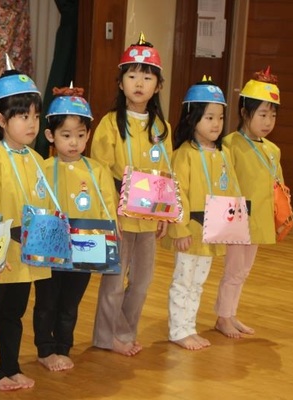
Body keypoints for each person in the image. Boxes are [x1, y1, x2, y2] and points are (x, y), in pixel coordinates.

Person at [89, 33, 172, 356]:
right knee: (113, 280)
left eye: (147, 77)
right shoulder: (110, 124)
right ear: (120, 82)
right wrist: (110, 211)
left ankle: (125, 331)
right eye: (132, 75)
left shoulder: (161, 127)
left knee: (141, 281)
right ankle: (106, 336)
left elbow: (166, 173)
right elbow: (99, 171)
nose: (139, 83)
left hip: (148, 219)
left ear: (158, 86)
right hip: (120, 217)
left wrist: (165, 212)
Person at [0, 62, 50, 391]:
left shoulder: (36, 159)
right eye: (22, 116)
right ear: (1, 120)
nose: (31, 123)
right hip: (0, 256)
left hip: (26, 254)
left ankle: (11, 366)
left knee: (14, 313)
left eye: (35, 116)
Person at [34, 85, 118, 371]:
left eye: (80, 135)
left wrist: (111, 234)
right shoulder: (43, 168)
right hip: (50, 246)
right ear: (51, 135)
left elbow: (108, 205)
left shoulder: (97, 170)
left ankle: (63, 346)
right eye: (66, 135)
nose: (74, 142)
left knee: (70, 302)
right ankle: (45, 348)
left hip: (85, 248)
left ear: (88, 135)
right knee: (47, 300)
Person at [164, 77, 239, 350]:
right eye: (209, 117)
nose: (216, 124)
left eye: (220, 117)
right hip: (191, 231)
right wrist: (180, 229)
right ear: (192, 118)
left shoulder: (223, 154)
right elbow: (176, 192)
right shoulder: (184, 154)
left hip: (212, 232)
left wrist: (233, 226)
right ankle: (178, 330)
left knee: (197, 282)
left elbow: (232, 190)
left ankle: (189, 327)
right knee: (183, 281)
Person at [214, 67, 285, 338]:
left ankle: (231, 313)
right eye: (262, 114)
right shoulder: (229, 144)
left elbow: (278, 186)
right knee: (233, 270)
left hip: (259, 220)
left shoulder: (273, 149)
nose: (268, 122)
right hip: (237, 218)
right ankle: (223, 317)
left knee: (243, 270)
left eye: (273, 115)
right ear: (245, 112)